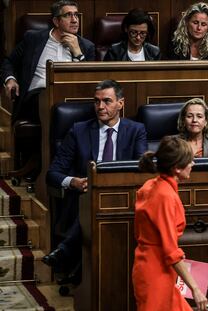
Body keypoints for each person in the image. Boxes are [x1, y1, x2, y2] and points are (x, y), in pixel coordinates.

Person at [42, 80, 148, 282]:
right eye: (97, 101)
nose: (101, 107)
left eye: (107, 101)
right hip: (84, 196)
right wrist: (73, 181)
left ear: (121, 103)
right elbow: (53, 173)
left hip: (123, 197)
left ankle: (65, 252)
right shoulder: (78, 130)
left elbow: (140, 168)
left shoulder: (136, 130)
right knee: (92, 204)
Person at [133, 135, 208, 311]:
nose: (193, 164)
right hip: (157, 273)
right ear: (176, 168)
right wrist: (195, 289)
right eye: (190, 161)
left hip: (150, 266)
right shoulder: (165, 196)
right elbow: (170, 250)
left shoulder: (150, 185)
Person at [0, 0, 95, 124]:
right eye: (68, 15)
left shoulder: (87, 47)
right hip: (36, 97)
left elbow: (88, 82)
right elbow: (8, 61)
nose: (75, 20)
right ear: (56, 21)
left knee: (67, 109)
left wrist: (77, 53)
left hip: (69, 98)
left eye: (76, 15)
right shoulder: (33, 39)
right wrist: (10, 79)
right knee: (57, 109)